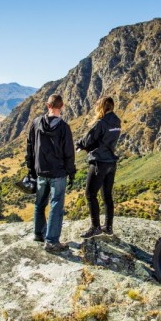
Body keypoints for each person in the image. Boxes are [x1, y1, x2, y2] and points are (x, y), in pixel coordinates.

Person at [26, 94, 76, 252]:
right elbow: (69, 153)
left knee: (39, 203)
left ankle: (38, 234)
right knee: (56, 205)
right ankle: (52, 241)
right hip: (58, 173)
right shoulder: (64, 127)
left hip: (41, 171)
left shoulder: (36, 123)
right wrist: (71, 172)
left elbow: (30, 147)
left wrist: (31, 169)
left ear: (48, 105)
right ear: (62, 107)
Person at [76, 96, 121, 238]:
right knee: (107, 195)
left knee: (90, 194)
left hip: (99, 163)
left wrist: (79, 144)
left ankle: (95, 227)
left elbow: (88, 139)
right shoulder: (117, 121)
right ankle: (108, 227)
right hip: (111, 163)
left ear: (101, 107)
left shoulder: (100, 123)